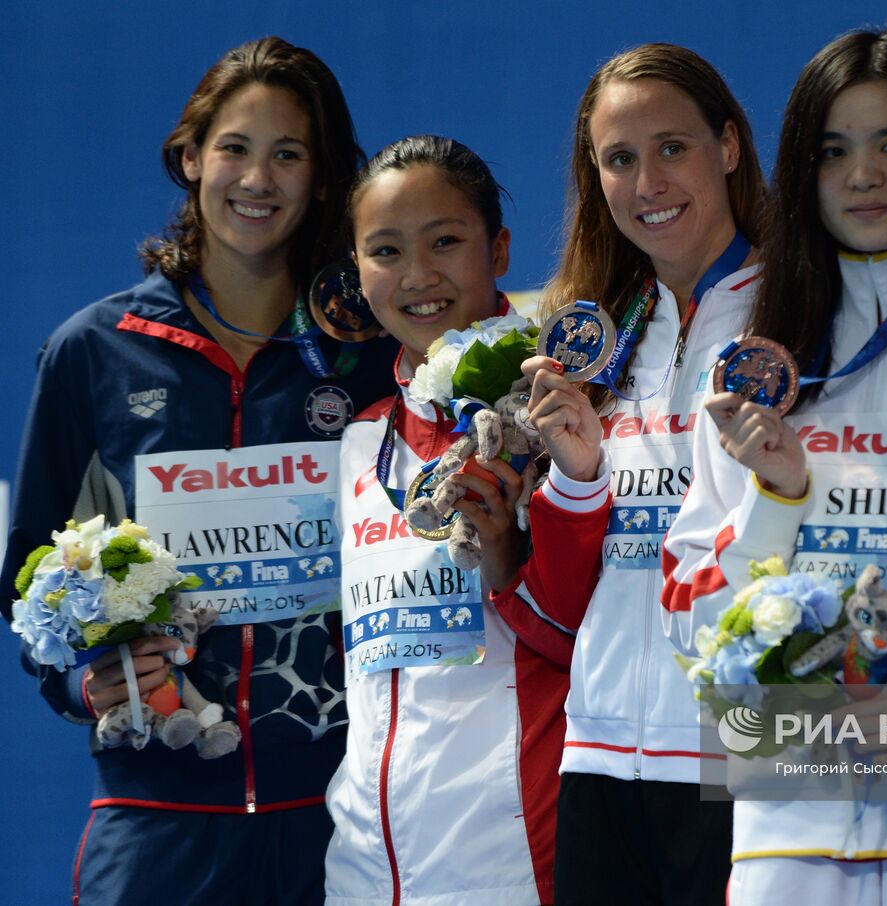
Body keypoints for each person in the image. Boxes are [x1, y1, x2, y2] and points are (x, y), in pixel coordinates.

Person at [0, 37, 398, 904]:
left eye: (288, 154)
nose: (257, 179)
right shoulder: (95, 351)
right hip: (157, 814)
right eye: (234, 149)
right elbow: (29, 573)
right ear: (189, 158)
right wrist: (81, 682)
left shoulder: (372, 353)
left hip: (342, 813)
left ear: (322, 178)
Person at [660, 27, 887, 904]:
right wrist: (777, 498)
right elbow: (693, 620)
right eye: (833, 151)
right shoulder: (752, 363)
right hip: (785, 831)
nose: (863, 176)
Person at [505, 42, 765, 904]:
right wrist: (577, 479)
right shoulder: (595, 341)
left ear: (728, 146)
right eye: (619, 159)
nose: (648, 182)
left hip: (742, 753)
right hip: (601, 756)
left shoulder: (800, 317)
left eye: (672, 148)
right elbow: (563, 604)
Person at [323, 134, 610, 905]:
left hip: (514, 863)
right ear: (357, 270)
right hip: (363, 873)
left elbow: (592, 637)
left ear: (500, 249)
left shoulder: (561, 419)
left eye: (445, 241)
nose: (418, 275)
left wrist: (513, 549)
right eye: (386, 250)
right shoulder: (362, 443)